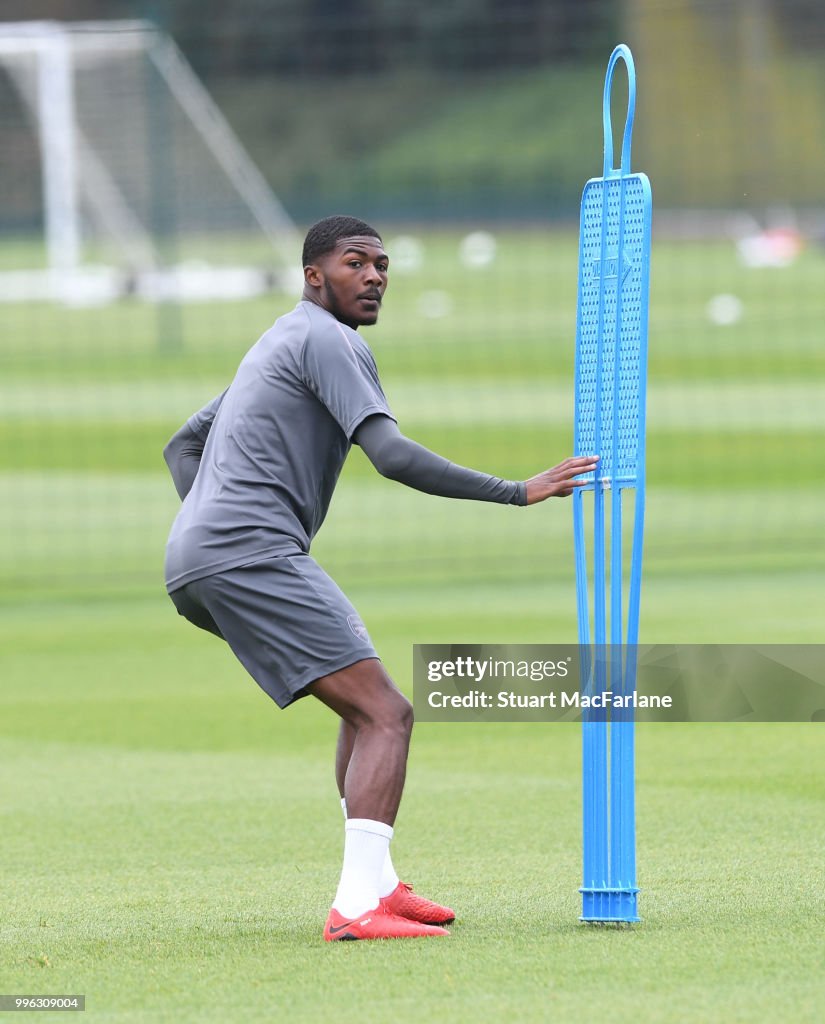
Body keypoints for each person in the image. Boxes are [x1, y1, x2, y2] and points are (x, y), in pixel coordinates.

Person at [163, 214, 598, 942]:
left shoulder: (278, 338)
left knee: (363, 708)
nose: (373, 278)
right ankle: (355, 906)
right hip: (249, 553)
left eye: (382, 266)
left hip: (206, 559)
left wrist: (207, 522)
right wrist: (517, 491)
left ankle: (379, 885)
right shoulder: (328, 341)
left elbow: (183, 444)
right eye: (354, 264)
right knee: (387, 714)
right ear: (313, 277)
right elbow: (391, 456)